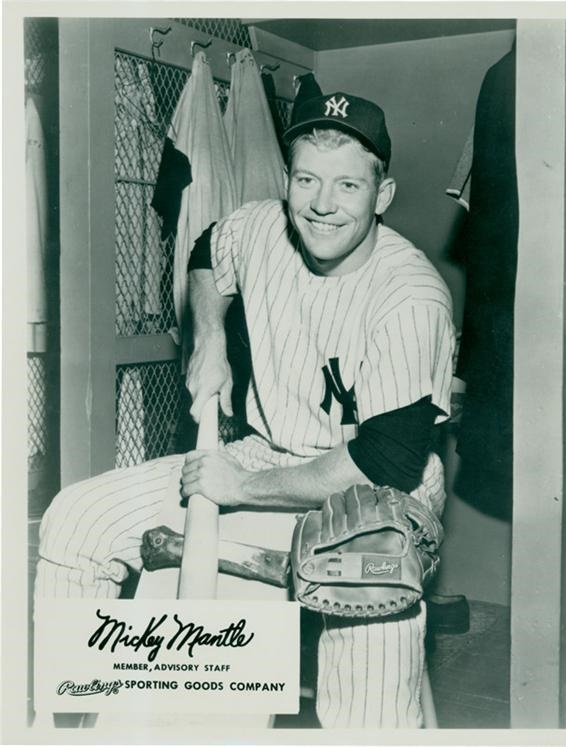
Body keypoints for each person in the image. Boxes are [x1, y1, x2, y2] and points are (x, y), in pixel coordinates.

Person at [35, 92, 455, 729]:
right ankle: (60, 725)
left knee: (366, 639)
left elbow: (385, 461)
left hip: (377, 487)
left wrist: (244, 488)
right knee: (76, 519)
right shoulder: (263, 225)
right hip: (266, 448)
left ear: (383, 193)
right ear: (288, 181)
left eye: (347, 184)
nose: (322, 203)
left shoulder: (412, 296)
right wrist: (209, 340)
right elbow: (207, 251)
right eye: (307, 179)